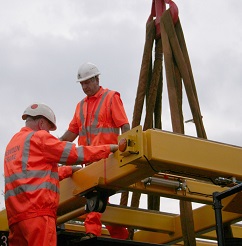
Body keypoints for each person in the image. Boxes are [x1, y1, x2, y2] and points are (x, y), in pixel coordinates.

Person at [4, 102, 118, 246]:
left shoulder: (12, 145)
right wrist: (109, 149)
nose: (49, 133)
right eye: (49, 129)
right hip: (39, 215)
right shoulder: (39, 138)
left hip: (16, 219)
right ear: (41, 123)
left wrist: (68, 170)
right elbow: (75, 153)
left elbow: (34, 175)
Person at [60, 62, 130, 240]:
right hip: (88, 159)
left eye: (87, 82)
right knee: (100, 200)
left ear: (97, 79)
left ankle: (92, 233)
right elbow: (72, 132)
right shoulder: (80, 106)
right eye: (82, 84)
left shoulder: (111, 97)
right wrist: (54, 146)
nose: (84, 87)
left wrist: (127, 149)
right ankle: (121, 236)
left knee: (94, 194)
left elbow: (124, 125)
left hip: (108, 157)